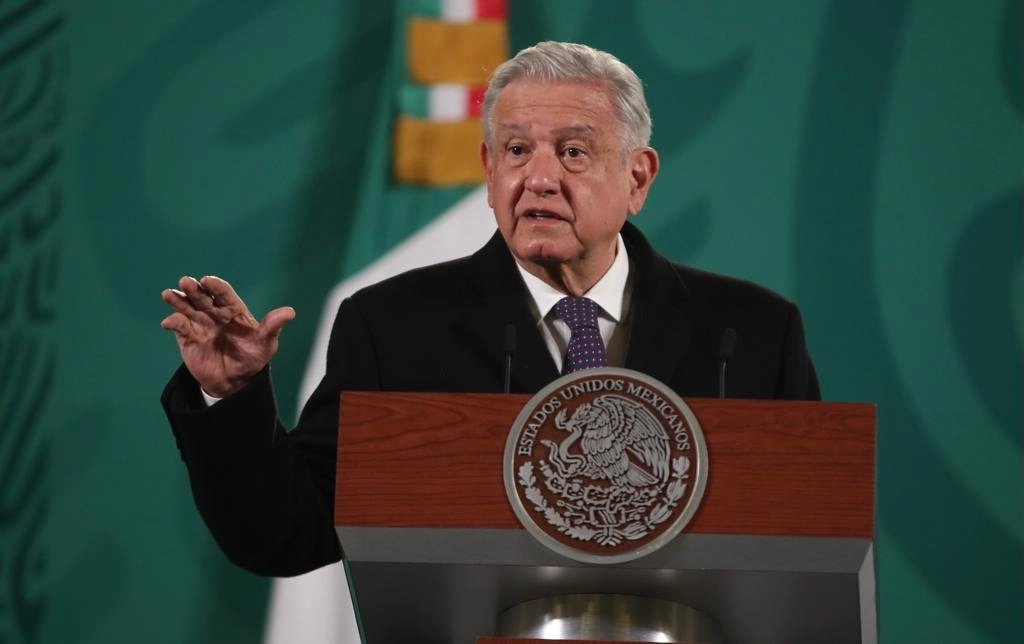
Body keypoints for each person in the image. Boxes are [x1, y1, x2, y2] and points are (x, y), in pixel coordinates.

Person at [160, 41, 819, 577]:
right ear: (489, 169)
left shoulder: (751, 333)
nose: (539, 178)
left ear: (638, 177)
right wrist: (234, 394)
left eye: (573, 152)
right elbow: (289, 534)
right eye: (516, 150)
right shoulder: (393, 326)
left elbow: (811, 540)